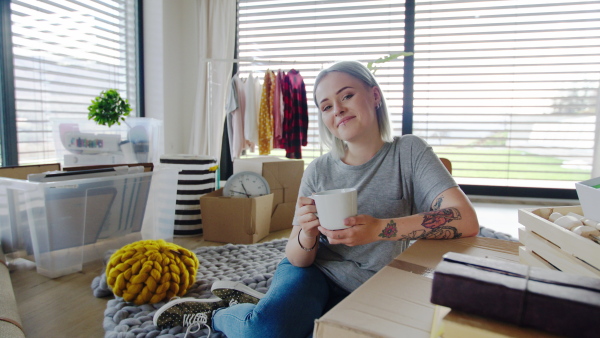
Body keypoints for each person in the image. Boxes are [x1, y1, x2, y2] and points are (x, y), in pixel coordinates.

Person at [153, 61, 480, 337]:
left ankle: (267, 305)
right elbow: (297, 257)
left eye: (346, 96)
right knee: (267, 330)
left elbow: (465, 219)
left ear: (375, 96)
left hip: (378, 284)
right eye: (326, 106)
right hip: (315, 272)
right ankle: (219, 315)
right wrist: (306, 234)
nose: (337, 110)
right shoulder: (319, 170)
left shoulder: (408, 153)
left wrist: (381, 229)